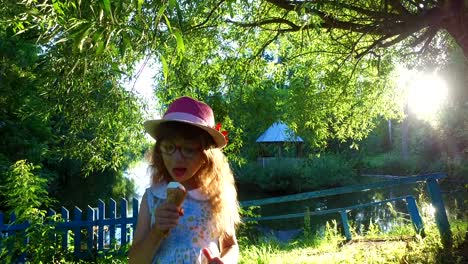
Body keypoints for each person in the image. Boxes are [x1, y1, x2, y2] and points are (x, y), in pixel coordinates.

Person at [129, 96, 241, 264]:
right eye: (169, 147)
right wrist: (157, 231)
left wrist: (224, 261)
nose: (177, 158)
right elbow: (135, 261)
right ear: (159, 151)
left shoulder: (216, 197)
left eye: (188, 149)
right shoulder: (153, 197)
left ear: (206, 156)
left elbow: (230, 246)